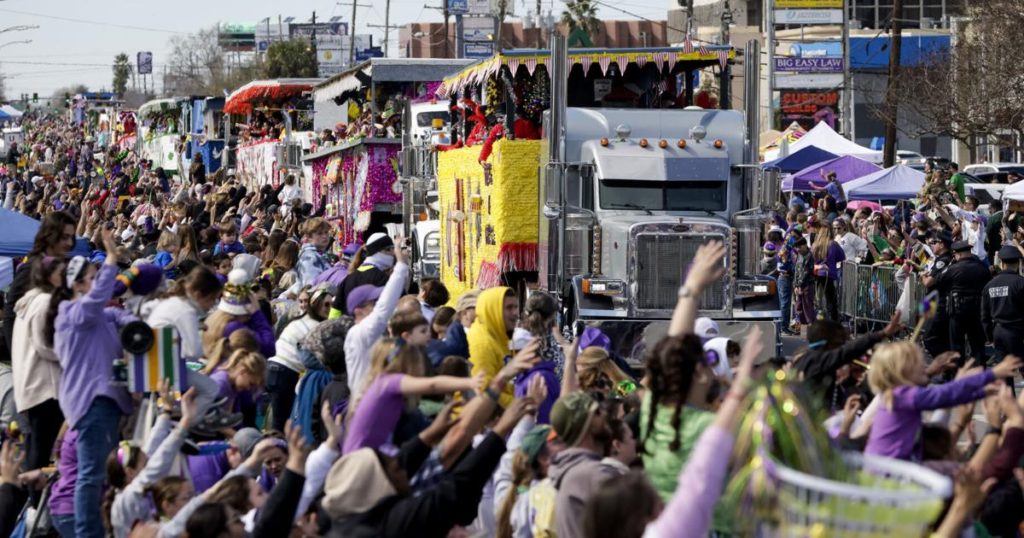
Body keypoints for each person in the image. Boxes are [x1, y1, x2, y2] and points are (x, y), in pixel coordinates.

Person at [53, 228, 136, 538]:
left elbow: (117, 318)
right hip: (91, 400)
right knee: (91, 473)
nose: (100, 281)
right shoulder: (70, 312)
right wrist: (112, 259)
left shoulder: (97, 314)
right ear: (76, 285)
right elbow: (97, 303)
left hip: (106, 401)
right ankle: (87, 533)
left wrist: (138, 324)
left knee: (101, 474)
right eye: (93, 276)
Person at [864, 341, 1021, 460]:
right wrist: (992, 373)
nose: (923, 366)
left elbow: (946, 396)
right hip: (889, 473)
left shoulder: (897, 394)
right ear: (901, 371)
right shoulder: (902, 395)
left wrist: (979, 392)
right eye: (916, 364)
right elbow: (945, 395)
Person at [10, 256, 65, 471]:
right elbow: (45, 345)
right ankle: (34, 501)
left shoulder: (29, 301)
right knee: (41, 451)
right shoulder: (44, 302)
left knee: (37, 448)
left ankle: (33, 499)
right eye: (60, 273)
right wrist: (70, 355)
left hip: (33, 385)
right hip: (46, 387)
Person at [3, 211, 77, 358]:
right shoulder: (32, 268)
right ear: (50, 236)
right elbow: (11, 313)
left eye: (72, 237)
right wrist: (18, 355)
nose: (69, 243)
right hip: (34, 358)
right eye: (64, 237)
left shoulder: (64, 266)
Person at [343, 244, 410, 393]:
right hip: (364, 401)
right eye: (373, 302)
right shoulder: (361, 331)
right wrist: (400, 265)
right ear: (358, 310)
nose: (377, 305)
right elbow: (384, 307)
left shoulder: (367, 332)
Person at [548, 392, 616, 538]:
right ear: (586, 424)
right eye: (597, 412)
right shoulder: (593, 475)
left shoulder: (571, 471)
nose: (604, 414)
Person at [266, 286, 331, 432]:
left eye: (331, 304)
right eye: (326, 304)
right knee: (280, 424)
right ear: (316, 304)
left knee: (277, 419)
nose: (329, 308)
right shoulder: (315, 327)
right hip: (285, 371)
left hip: (274, 368)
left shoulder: (301, 320)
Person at [934, 240, 990, 365]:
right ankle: (981, 374)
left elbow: (938, 280)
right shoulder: (981, 268)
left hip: (957, 311)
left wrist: (949, 265)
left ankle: (957, 374)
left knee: (957, 345)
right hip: (976, 311)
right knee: (977, 345)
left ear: (957, 255)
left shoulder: (953, 269)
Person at [468, 286, 520, 407]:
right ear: (492, 310)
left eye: (516, 307)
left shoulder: (498, 335)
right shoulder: (482, 344)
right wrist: (520, 405)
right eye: (509, 308)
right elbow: (484, 391)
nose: (515, 313)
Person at [331, 233, 396, 317]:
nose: (392, 253)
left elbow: (334, 313)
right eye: (388, 249)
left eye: (393, 249)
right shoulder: (382, 278)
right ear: (376, 252)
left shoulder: (348, 279)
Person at [983, 245, 1024, 370]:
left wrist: (990, 336)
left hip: (998, 333)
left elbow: (984, 315)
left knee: (1004, 373)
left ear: (1001, 263)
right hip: (1018, 333)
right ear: (1018, 263)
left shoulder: (989, 285)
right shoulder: (1021, 283)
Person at [921, 231, 954, 357]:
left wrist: (922, 277)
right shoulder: (940, 259)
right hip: (933, 303)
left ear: (942, 245)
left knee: (929, 337)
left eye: (935, 242)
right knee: (942, 338)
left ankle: (945, 362)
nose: (932, 245)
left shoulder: (944, 260)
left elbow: (928, 282)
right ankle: (948, 368)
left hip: (939, 304)